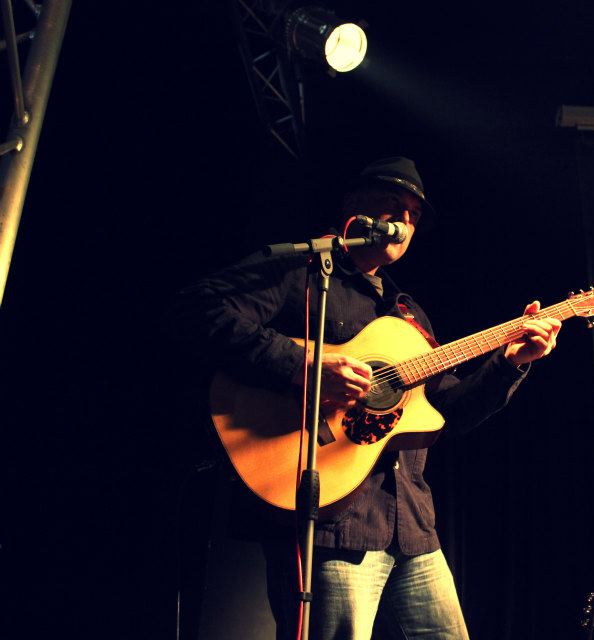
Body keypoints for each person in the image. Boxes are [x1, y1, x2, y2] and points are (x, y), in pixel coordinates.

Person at [169, 157, 562, 639]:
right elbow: (198, 309)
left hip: (413, 530)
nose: (404, 222)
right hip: (330, 528)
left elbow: (449, 413)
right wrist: (305, 367)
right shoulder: (303, 271)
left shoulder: (409, 315)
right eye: (394, 206)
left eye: (414, 216)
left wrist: (510, 363)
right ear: (354, 205)